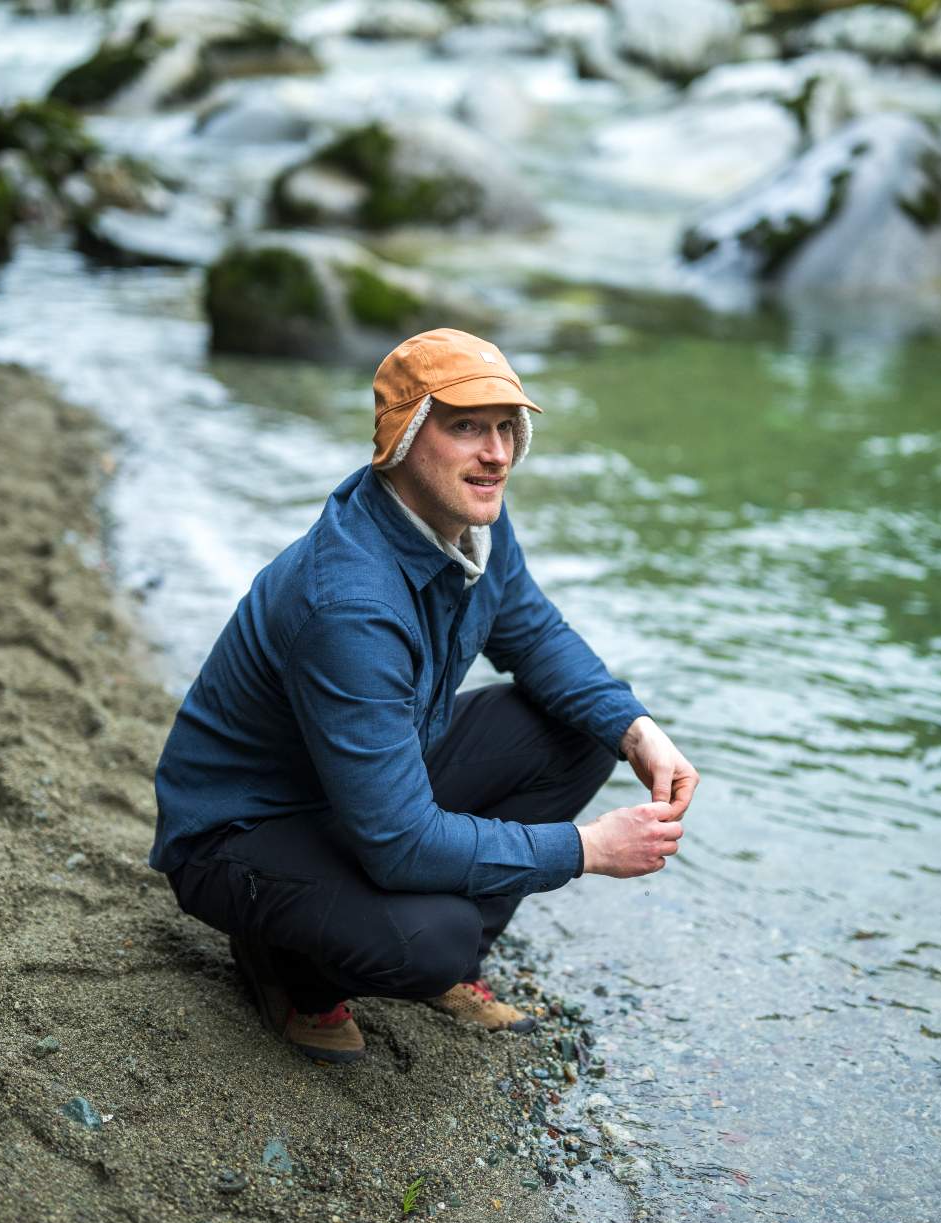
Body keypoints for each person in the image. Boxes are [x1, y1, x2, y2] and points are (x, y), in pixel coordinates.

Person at [150, 328, 698, 1064]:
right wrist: (588, 849)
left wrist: (637, 730)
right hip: (245, 829)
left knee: (577, 730)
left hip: (359, 786)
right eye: (467, 426)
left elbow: (534, 638)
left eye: (507, 428)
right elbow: (401, 842)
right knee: (430, 939)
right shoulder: (350, 602)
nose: (497, 453)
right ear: (403, 439)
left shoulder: (473, 523)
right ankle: (289, 970)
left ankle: (445, 953)